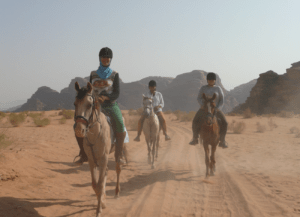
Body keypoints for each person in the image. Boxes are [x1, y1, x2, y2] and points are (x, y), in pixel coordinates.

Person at [74, 47, 127, 165]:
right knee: (77, 125)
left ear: (110, 59)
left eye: (108, 57)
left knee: (120, 124)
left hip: (111, 105)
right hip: (95, 105)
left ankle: (119, 156)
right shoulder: (93, 74)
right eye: (103, 57)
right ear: (100, 58)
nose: (105, 59)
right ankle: (83, 154)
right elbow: (90, 89)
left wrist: (106, 97)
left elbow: (116, 92)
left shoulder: (115, 74)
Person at [189, 72, 228, 148]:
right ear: (207, 80)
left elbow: (221, 100)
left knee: (225, 122)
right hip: (204, 108)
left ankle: (222, 140)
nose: (211, 81)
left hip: (215, 109)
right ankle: (195, 138)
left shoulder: (218, 89)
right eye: (209, 80)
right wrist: (202, 105)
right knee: (195, 120)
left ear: (215, 80)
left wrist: (218, 108)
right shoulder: (203, 88)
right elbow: (199, 98)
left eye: (212, 80)